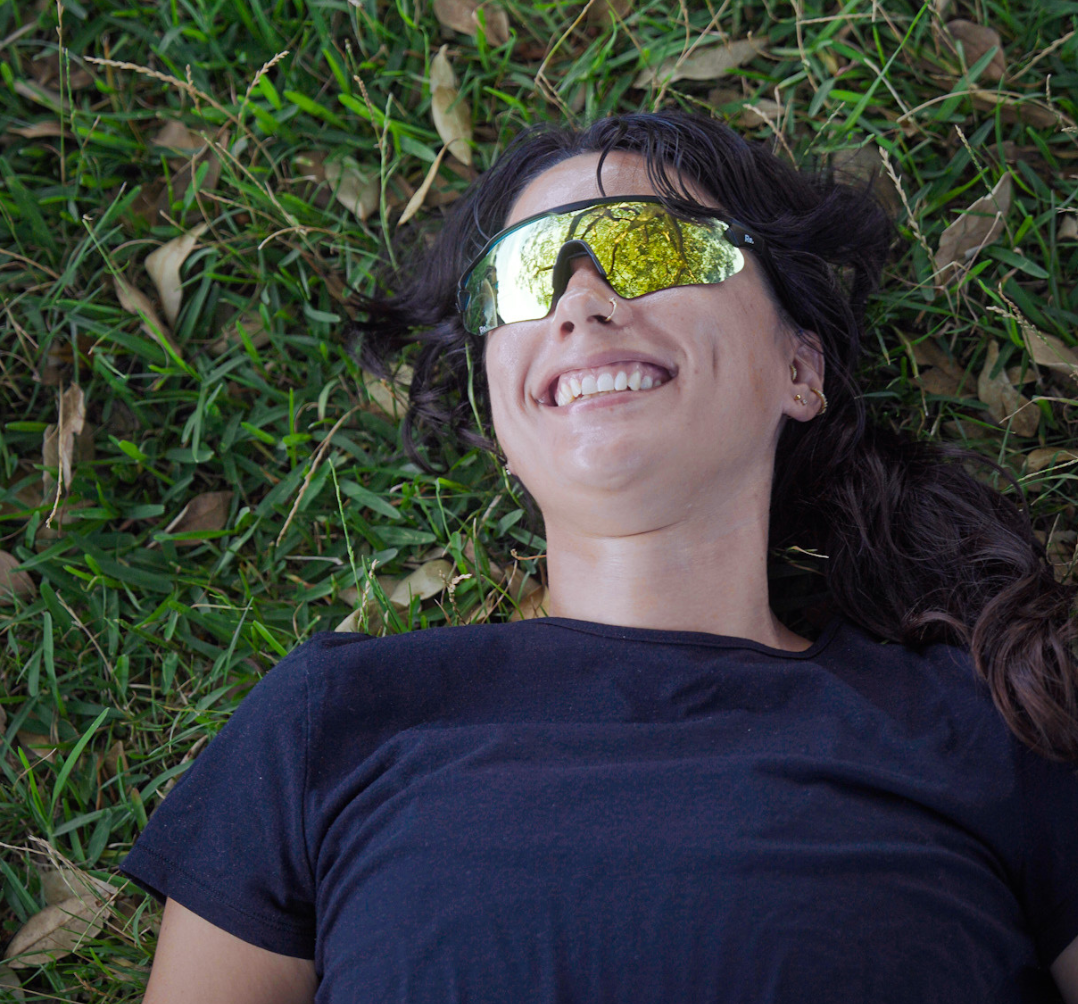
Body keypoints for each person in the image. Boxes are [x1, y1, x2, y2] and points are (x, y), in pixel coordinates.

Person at [122, 111, 1078, 1004]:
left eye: (652, 247)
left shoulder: (988, 717)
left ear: (801, 367)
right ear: (499, 406)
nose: (581, 300)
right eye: (527, 273)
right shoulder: (330, 721)